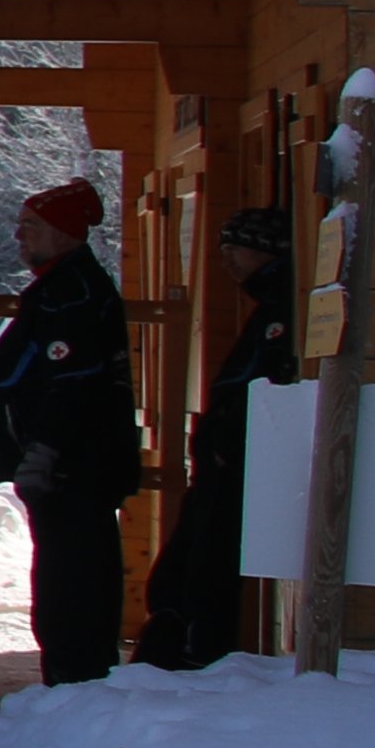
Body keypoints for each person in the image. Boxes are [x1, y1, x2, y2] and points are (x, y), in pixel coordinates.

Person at [0, 176, 143, 688]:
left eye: (31, 225)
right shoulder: (61, 285)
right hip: (68, 466)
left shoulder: (72, 293)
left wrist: (45, 451)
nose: (18, 235)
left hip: (74, 468)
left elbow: (72, 382)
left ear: (65, 232)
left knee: (74, 579)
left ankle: (76, 679)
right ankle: (71, 674)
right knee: (64, 574)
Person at [134, 204, 297, 671]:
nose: (227, 261)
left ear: (264, 250)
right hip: (230, 464)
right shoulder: (269, 305)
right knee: (190, 565)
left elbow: (261, 388)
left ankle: (197, 655)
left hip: (240, 468)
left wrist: (226, 445)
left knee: (208, 568)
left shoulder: (279, 310)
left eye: (235, 249)